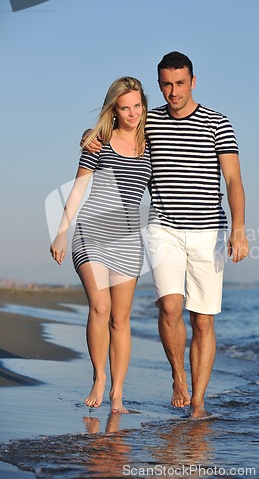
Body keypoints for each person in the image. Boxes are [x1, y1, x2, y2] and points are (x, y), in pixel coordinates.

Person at [83, 52, 249, 418]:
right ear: (159, 84)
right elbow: (112, 128)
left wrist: (239, 227)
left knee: (203, 320)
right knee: (171, 306)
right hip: (163, 228)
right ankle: (178, 376)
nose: (173, 91)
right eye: (166, 84)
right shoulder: (149, 120)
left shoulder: (218, 123)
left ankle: (199, 402)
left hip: (210, 231)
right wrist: (89, 137)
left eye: (180, 83)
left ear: (193, 81)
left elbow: (233, 179)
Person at [50, 77, 151, 412]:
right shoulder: (99, 142)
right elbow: (78, 189)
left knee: (121, 319)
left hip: (127, 241)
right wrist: (61, 231)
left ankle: (117, 393)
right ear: (114, 109)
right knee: (101, 308)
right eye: (125, 107)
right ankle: (99, 377)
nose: (132, 113)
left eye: (137, 105)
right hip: (90, 235)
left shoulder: (152, 145)